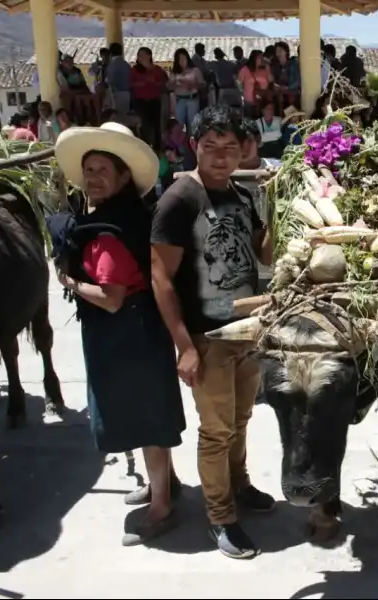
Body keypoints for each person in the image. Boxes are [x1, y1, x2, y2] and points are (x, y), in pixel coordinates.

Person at [51, 122, 186, 546]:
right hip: (139, 330)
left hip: (128, 334)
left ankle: (162, 507)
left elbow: (110, 297)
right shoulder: (126, 215)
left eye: (102, 169)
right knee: (151, 416)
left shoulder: (109, 231)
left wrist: (68, 281)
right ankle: (165, 483)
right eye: (88, 169)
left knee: (145, 421)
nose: (92, 176)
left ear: (124, 176)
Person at [149, 106, 275, 559]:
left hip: (246, 330)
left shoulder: (242, 195)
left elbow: (263, 252)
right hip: (208, 337)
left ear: (243, 151)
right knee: (217, 430)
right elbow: (160, 278)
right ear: (193, 147)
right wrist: (184, 344)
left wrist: (281, 207)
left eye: (230, 149)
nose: (221, 157)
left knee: (241, 420)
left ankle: (238, 486)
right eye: (210, 148)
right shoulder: (179, 199)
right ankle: (220, 516)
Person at [130, 47, 167, 149]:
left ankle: (157, 147)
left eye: (142, 55)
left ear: (149, 56)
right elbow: (130, 84)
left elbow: (164, 84)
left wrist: (154, 83)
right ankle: (144, 146)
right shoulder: (134, 70)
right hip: (140, 101)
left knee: (156, 124)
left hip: (154, 100)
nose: (140, 57)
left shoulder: (157, 70)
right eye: (138, 55)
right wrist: (141, 83)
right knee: (143, 123)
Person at [169, 48, 205, 130]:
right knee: (179, 125)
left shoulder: (195, 70)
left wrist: (194, 85)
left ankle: (191, 141)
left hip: (192, 99)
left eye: (183, 58)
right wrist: (173, 83)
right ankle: (181, 142)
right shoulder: (174, 72)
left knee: (193, 125)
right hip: (179, 100)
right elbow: (169, 87)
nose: (181, 61)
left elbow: (203, 84)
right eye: (179, 59)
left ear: (187, 58)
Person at [238, 49, 271, 120]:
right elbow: (239, 83)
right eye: (260, 57)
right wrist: (242, 94)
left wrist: (268, 65)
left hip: (263, 102)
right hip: (249, 102)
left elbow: (271, 80)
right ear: (254, 58)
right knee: (250, 122)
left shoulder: (265, 69)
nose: (262, 59)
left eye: (263, 57)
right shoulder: (245, 70)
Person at [106, 42, 132, 117]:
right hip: (127, 94)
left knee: (117, 118)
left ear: (110, 53)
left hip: (116, 94)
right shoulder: (126, 64)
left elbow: (110, 81)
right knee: (125, 117)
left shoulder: (112, 65)